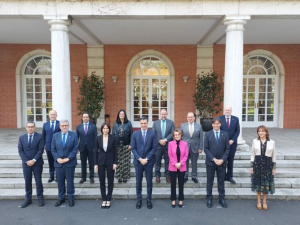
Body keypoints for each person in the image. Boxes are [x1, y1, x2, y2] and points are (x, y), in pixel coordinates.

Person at [131, 117, 157, 209]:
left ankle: (149, 200)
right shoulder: (135, 134)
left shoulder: (152, 133)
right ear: (139, 124)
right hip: (138, 162)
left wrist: (147, 159)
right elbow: (133, 148)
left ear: (147, 123)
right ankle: (139, 200)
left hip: (149, 162)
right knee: (138, 182)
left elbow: (154, 148)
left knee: (149, 182)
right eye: (141, 123)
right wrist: (139, 158)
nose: (143, 125)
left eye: (145, 123)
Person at [51, 119, 78, 207]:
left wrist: (68, 158)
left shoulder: (73, 135)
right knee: (60, 182)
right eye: (62, 125)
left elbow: (75, 148)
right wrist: (57, 158)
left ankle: (71, 198)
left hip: (69, 163)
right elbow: (53, 149)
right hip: (58, 163)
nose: (64, 127)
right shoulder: (55, 135)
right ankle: (61, 198)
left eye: (66, 125)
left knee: (70, 181)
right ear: (60, 127)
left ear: (68, 126)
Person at [204, 118, 230, 208]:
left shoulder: (225, 134)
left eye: (217, 123)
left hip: (222, 163)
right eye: (214, 124)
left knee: (221, 181)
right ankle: (209, 198)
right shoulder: (207, 134)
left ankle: (221, 198)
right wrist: (214, 159)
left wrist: (222, 159)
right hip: (211, 162)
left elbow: (227, 149)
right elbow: (206, 149)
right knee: (209, 182)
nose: (216, 125)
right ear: (212, 125)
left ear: (220, 124)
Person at [18, 121, 44, 208]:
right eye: (28, 126)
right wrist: (27, 161)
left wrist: (34, 160)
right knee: (27, 181)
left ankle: (40, 197)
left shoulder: (40, 136)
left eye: (32, 126)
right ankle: (28, 199)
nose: (30, 128)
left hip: (37, 163)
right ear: (26, 128)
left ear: (35, 127)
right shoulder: (22, 138)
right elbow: (20, 151)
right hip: (26, 164)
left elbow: (41, 150)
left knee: (38, 181)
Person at [250, 125, 276, 211]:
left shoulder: (272, 142)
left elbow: (273, 155)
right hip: (257, 164)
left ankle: (264, 202)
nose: (260, 132)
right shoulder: (255, 141)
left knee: (266, 184)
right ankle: (258, 201)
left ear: (266, 132)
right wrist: (251, 165)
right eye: (259, 131)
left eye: (262, 131)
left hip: (268, 165)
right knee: (258, 183)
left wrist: (274, 167)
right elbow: (253, 153)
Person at [94, 123, 118, 209]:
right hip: (100, 161)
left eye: (107, 128)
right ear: (101, 129)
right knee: (102, 182)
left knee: (110, 181)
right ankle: (104, 199)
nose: (105, 130)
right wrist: (95, 164)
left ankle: (109, 199)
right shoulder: (98, 138)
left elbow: (116, 151)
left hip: (110, 162)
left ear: (109, 129)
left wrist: (115, 163)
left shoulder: (113, 138)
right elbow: (95, 151)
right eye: (104, 128)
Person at [152, 109, 175, 183]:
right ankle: (157, 176)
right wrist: (160, 141)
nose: (163, 115)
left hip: (168, 145)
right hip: (158, 146)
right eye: (162, 114)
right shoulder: (155, 123)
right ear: (160, 114)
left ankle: (167, 176)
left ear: (167, 114)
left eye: (165, 114)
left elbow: (172, 133)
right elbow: (153, 134)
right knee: (157, 161)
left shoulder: (171, 122)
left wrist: (165, 140)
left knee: (168, 161)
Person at [180, 112, 203, 183]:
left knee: (194, 163)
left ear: (194, 118)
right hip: (185, 148)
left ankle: (194, 176)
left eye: (191, 117)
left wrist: (200, 148)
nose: (190, 118)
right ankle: (185, 176)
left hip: (195, 147)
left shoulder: (199, 126)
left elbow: (201, 138)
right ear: (187, 118)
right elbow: (180, 137)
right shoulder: (182, 125)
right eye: (189, 117)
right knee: (185, 162)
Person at [219, 106, 240, 184]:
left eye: (229, 110)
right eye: (226, 110)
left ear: (231, 111)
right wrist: (224, 140)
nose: (227, 111)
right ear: (224, 111)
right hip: (222, 144)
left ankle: (230, 176)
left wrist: (233, 140)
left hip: (232, 144)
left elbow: (237, 131)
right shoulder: (220, 118)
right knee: (223, 160)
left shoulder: (236, 119)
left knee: (230, 161)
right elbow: (218, 130)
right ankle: (223, 176)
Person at [168, 129, 189, 208]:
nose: (177, 136)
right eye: (175, 135)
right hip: (172, 166)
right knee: (173, 184)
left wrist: (180, 163)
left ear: (181, 136)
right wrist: (175, 163)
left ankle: (181, 199)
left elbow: (186, 155)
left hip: (182, 166)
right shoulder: (170, 144)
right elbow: (169, 154)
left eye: (178, 134)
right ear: (173, 136)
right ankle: (173, 199)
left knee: (181, 183)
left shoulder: (185, 144)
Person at [76, 112, 97, 184]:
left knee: (91, 163)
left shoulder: (93, 126)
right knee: (83, 164)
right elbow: (76, 138)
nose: (85, 118)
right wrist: (77, 147)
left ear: (89, 118)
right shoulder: (79, 127)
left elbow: (95, 138)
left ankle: (91, 177)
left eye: (86, 117)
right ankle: (83, 177)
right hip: (82, 148)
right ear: (82, 118)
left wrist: (96, 147)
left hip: (91, 148)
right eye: (84, 117)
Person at [112, 109, 133, 183]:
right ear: (118, 115)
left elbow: (131, 134)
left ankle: (125, 177)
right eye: (120, 114)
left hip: (126, 145)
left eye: (123, 114)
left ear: (125, 115)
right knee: (119, 161)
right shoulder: (115, 123)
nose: (121, 115)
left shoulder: (129, 123)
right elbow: (113, 135)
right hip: (117, 145)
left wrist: (131, 144)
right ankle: (119, 177)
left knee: (126, 162)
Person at [42, 110, 60, 183]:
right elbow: (43, 136)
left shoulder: (60, 124)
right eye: (51, 114)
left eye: (54, 114)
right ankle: (51, 176)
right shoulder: (45, 124)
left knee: (58, 162)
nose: (53, 116)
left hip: (58, 147)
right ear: (49, 116)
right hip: (49, 147)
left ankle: (58, 177)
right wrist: (42, 146)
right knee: (50, 162)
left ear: (56, 115)